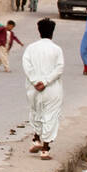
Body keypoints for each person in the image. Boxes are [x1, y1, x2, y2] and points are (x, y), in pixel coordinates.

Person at [23, 18, 65, 161]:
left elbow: (26, 65)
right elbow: (59, 68)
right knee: (50, 116)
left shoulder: (31, 48)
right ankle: (45, 149)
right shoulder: (57, 49)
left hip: (33, 89)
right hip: (51, 88)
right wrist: (45, 82)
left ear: (39, 31)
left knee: (36, 112)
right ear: (52, 32)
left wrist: (35, 81)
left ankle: (36, 139)